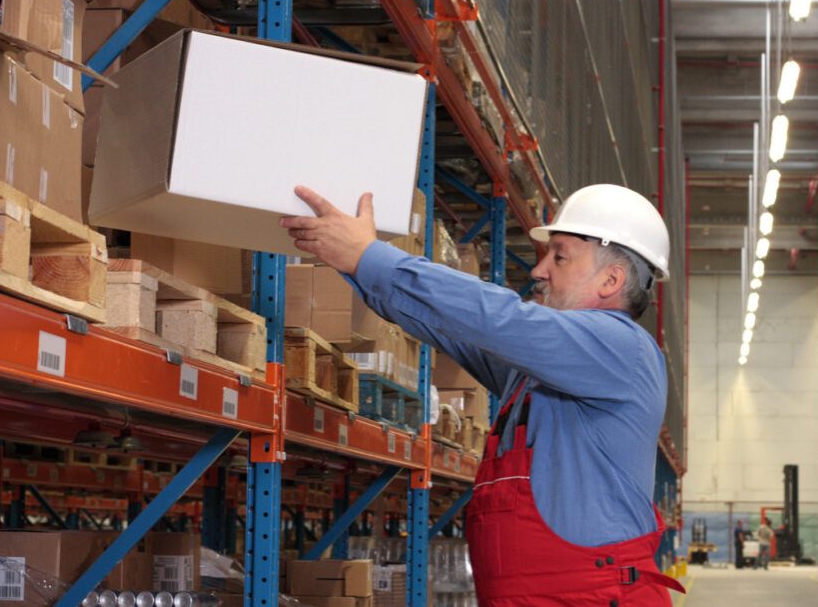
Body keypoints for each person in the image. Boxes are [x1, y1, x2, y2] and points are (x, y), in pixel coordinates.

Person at [281, 183, 686, 605]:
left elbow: (500, 319)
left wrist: (372, 258)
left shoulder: (623, 349)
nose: (539, 271)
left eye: (559, 256)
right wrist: (354, 262)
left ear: (611, 279)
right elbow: (452, 326)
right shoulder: (536, 373)